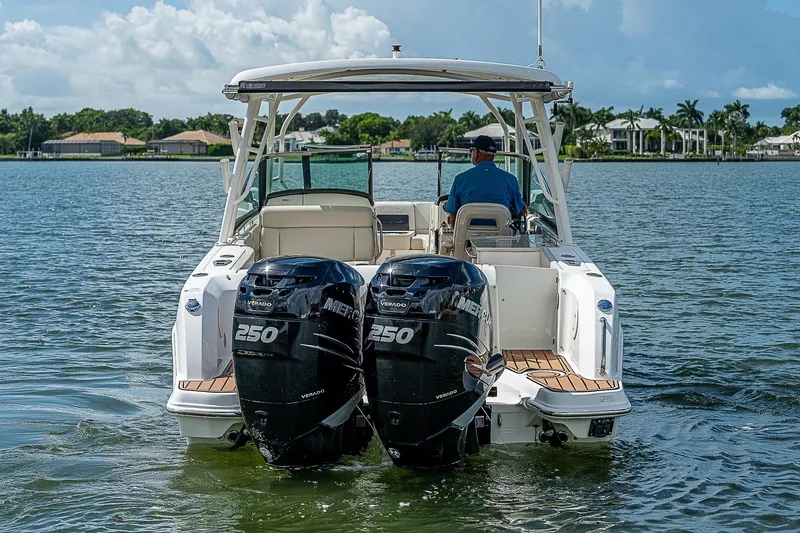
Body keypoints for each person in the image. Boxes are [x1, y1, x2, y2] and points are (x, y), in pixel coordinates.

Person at [444, 135, 526, 226]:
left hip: (468, 234)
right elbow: (521, 212)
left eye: (471, 151)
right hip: (502, 235)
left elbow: (453, 219)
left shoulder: (460, 180)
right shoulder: (511, 180)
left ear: (476, 152)